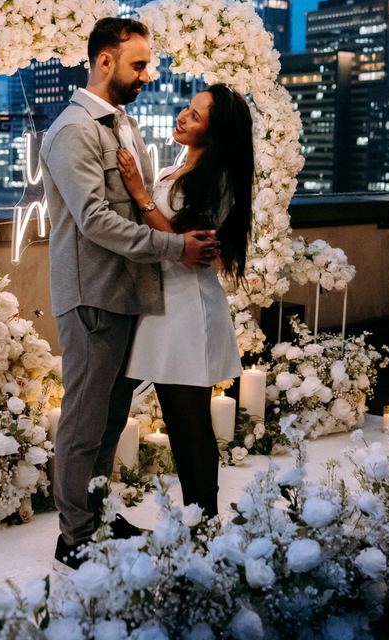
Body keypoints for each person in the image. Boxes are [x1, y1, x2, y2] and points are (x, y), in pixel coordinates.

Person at [39, 17, 220, 569]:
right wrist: (175, 249)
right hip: (93, 296)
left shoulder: (121, 124)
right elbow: (95, 220)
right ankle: (74, 537)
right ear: (104, 61)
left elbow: (140, 205)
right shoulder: (74, 130)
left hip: (125, 296)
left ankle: (96, 516)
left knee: (109, 419)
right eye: (139, 64)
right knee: (84, 421)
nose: (148, 75)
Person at [115, 82, 255, 519]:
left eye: (195, 116)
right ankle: (199, 521)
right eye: (187, 108)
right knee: (179, 422)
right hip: (164, 305)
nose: (182, 116)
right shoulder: (177, 170)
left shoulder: (218, 179)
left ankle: (204, 521)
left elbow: (186, 245)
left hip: (189, 308)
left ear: (215, 132)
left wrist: (140, 194)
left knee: (189, 424)